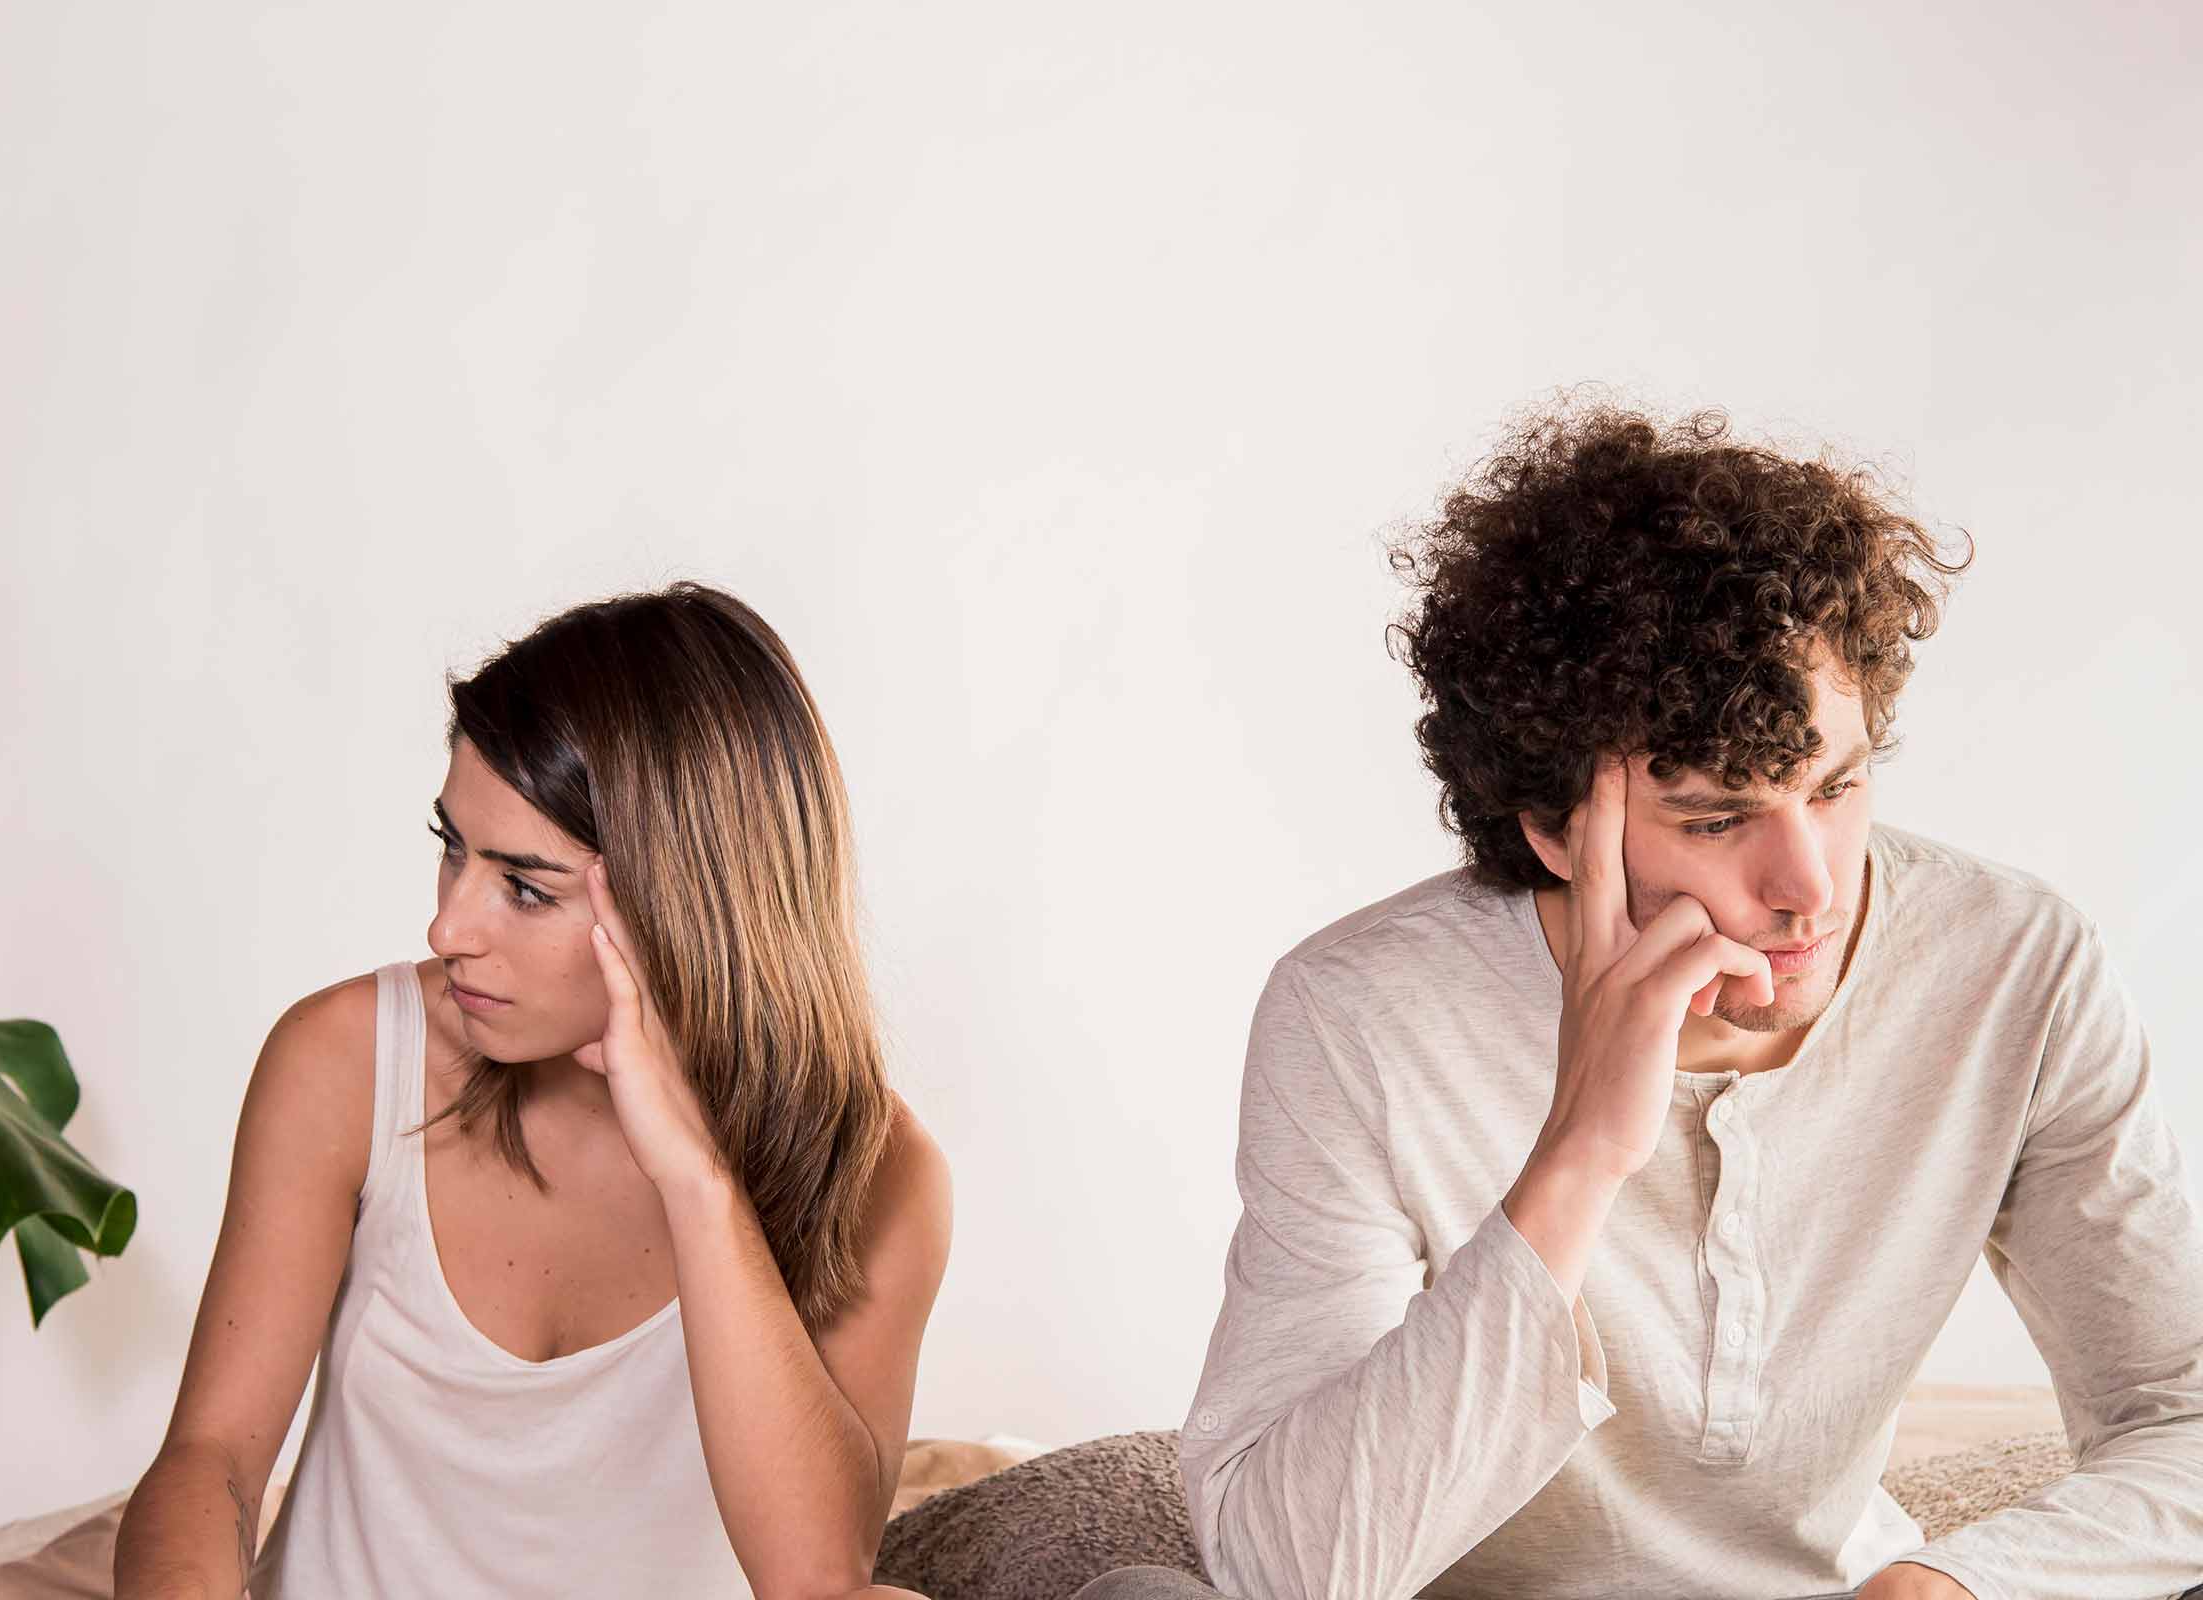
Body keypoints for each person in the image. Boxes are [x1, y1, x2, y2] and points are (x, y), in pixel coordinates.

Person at [1087, 403, 2203, 1600]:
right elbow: (1282, 1570)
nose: (1810, 889)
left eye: (1836, 787)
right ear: (1553, 827)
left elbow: (2183, 1416)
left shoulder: (2014, 963)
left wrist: (1952, 1586)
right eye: (1718, 819)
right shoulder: (1358, 1012)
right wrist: (1580, 1150)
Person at [115, 583, 951, 1599]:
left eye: (523, 886)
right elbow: (210, 1460)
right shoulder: (345, 1061)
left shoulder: (880, 1174)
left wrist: (697, 1179)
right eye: (451, 849)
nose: (448, 929)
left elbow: (817, 1579)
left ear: (685, 904)